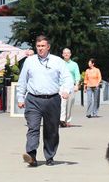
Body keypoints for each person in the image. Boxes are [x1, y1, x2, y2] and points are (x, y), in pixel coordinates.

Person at [16, 35, 73, 167]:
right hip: (33, 100)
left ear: (48, 47)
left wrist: (66, 90)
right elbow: (22, 80)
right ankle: (31, 155)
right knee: (33, 128)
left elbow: (67, 78)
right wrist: (20, 97)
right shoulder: (30, 61)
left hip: (52, 99)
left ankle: (49, 156)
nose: (40, 49)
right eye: (38, 46)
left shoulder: (57, 61)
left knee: (51, 130)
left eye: (43, 46)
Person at [59, 48, 80, 127]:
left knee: (69, 104)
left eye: (68, 53)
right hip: (61, 86)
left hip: (71, 86)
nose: (66, 54)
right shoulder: (60, 63)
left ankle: (68, 120)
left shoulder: (74, 64)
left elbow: (77, 76)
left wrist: (76, 85)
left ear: (70, 54)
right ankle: (62, 120)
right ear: (62, 54)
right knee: (62, 103)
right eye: (65, 53)